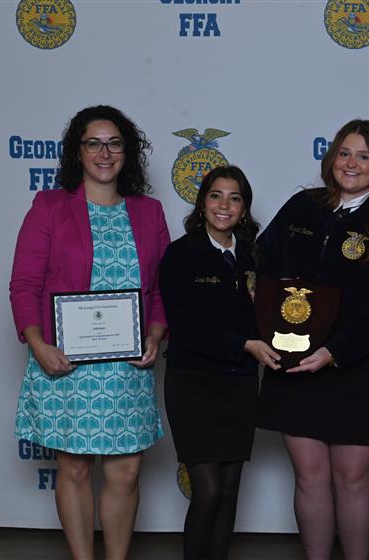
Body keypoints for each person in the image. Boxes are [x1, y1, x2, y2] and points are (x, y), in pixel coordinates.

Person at [10, 105, 170, 559]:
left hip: (126, 367)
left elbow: (161, 290)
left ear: (127, 151)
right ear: (77, 151)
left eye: (114, 143)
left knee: (126, 472)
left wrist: (155, 335)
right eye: (94, 143)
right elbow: (24, 285)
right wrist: (38, 344)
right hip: (66, 364)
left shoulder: (149, 212)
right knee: (75, 470)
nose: (105, 153)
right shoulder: (50, 207)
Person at [256, 119, 369, 560]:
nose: (352, 163)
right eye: (344, 153)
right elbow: (264, 261)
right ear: (331, 159)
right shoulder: (302, 207)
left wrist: (336, 351)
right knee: (309, 475)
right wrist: (265, 315)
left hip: (358, 367)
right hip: (296, 361)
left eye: (364, 156)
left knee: (352, 478)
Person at [159, 165, 280, 560]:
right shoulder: (181, 254)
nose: (224, 205)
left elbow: (270, 315)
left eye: (234, 198)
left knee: (229, 493)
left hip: (240, 384)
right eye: (215, 195)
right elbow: (185, 327)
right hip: (193, 384)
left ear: (244, 208)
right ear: (202, 203)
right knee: (207, 493)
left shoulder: (252, 255)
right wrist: (245, 344)